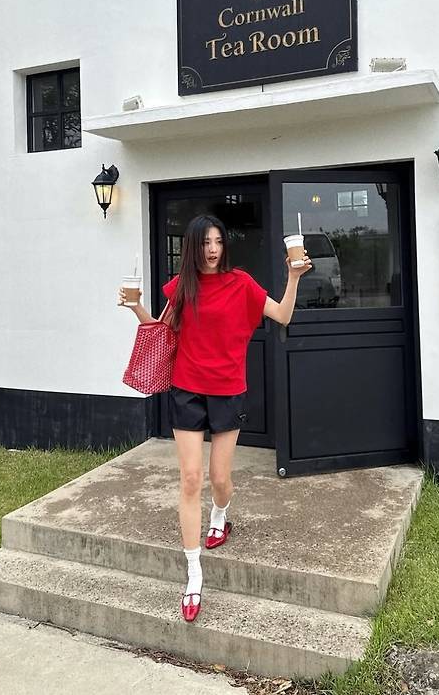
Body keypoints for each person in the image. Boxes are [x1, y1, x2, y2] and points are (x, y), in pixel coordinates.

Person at [118, 214, 311, 622]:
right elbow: (161, 331)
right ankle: (193, 574)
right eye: (206, 242)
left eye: (218, 241)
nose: (212, 249)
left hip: (227, 390)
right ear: (194, 246)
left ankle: (220, 515)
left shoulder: (241, 283)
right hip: (187, 389)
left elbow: (282, 315)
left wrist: (293, 277)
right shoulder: (182, 286)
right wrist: (136, 307)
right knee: (190, 479)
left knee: (220, 480)